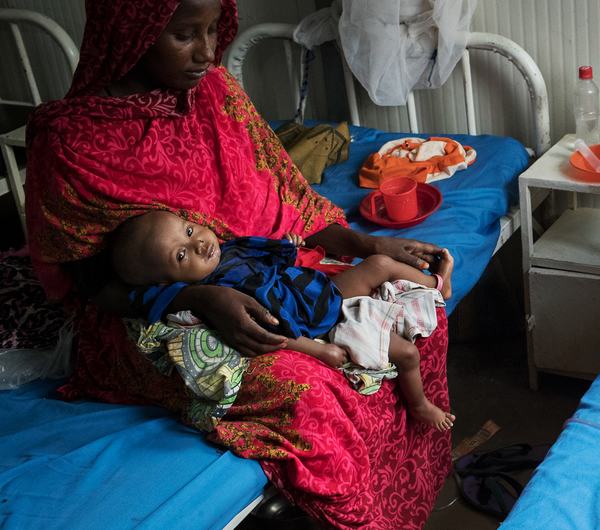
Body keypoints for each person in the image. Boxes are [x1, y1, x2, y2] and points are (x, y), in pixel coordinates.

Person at [24, 0, 452, 527]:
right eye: (185, 34)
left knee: (410, 309)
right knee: (311, 392)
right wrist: (196, 298)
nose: (207, 52)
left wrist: (368, 247)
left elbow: (290, 202)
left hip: (261, 270)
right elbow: (90, 288)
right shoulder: (73, 140)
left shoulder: (216, 94)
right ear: (130, 32)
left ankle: (407, 502)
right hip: (152, 316)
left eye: (213, 31)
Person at [107, 211, 457, 430]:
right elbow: (269, 330)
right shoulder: (214, 297)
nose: (199, 243)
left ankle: (438, 286)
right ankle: (420, 405)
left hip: (319, 293)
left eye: (188, 230)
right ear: (168, 282)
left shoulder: (228, 251)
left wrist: (288, 246)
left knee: (379, 265)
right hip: (317, 322)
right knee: (407, 355)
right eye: (181, 254)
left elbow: (268, 252)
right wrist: (319, 353)